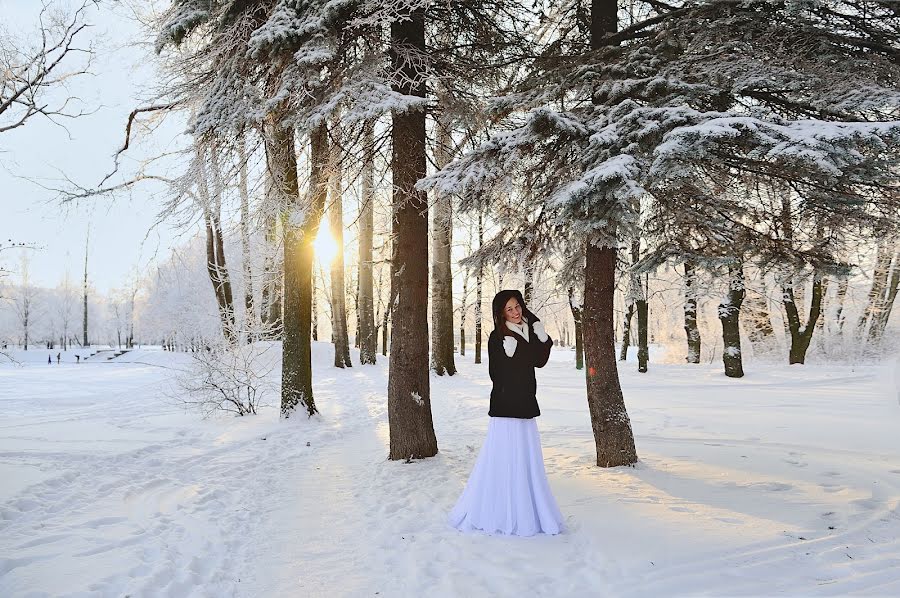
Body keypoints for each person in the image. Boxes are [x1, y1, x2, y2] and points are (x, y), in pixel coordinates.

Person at [448, 289, 564, 536]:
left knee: (526, 457)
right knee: (504, 456)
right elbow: (495, 374)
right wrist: (508, 355)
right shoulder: (497, 336)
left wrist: (542, 338)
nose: (516, 312)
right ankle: (500, 509)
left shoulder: (529, 328)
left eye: (517, 306)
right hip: (505, 404)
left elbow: (538, 362)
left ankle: (527, 506)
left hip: (525, 401)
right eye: (509, 309)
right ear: (501, 313)